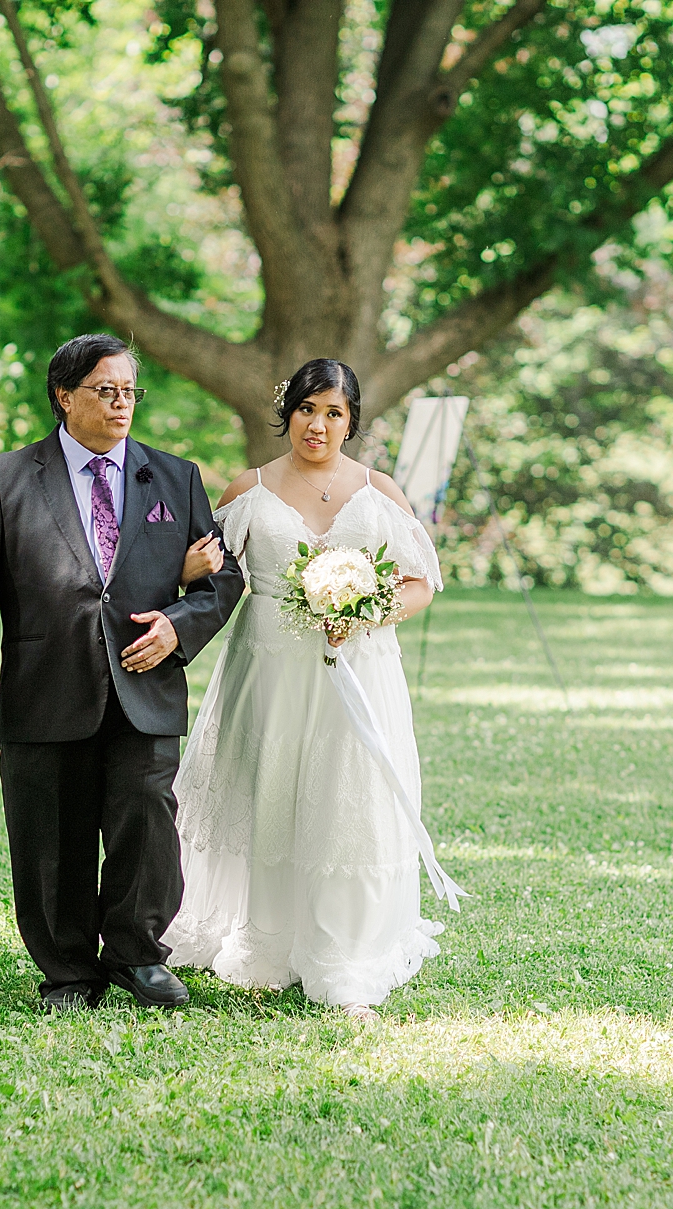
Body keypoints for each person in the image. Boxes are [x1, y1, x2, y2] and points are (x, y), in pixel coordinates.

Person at [0, 333, 244, 1012]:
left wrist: (177, 625)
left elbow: (223, 579)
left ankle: (138, 956)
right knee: (51, 832)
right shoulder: (7, 477)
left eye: (129, 391)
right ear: (64, 396)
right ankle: (69, 970)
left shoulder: (175, 477)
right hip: (44, 687)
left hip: (146, 685)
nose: (120, 404)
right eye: (105, 391)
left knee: (147, 821)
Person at [164, 358, 448, 1018]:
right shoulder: (250, 489)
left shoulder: (380, 492)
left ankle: (345, 951)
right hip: (269, 673)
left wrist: (363, 610)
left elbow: (419, 582)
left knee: (345, 798)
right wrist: (182, 569)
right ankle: (268, 942)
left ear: (351, 423)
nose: (318, 424)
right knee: (274, 791)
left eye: (334, 412)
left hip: (358, 672)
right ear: (287, 411)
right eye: (307, 409)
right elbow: (207, 578)